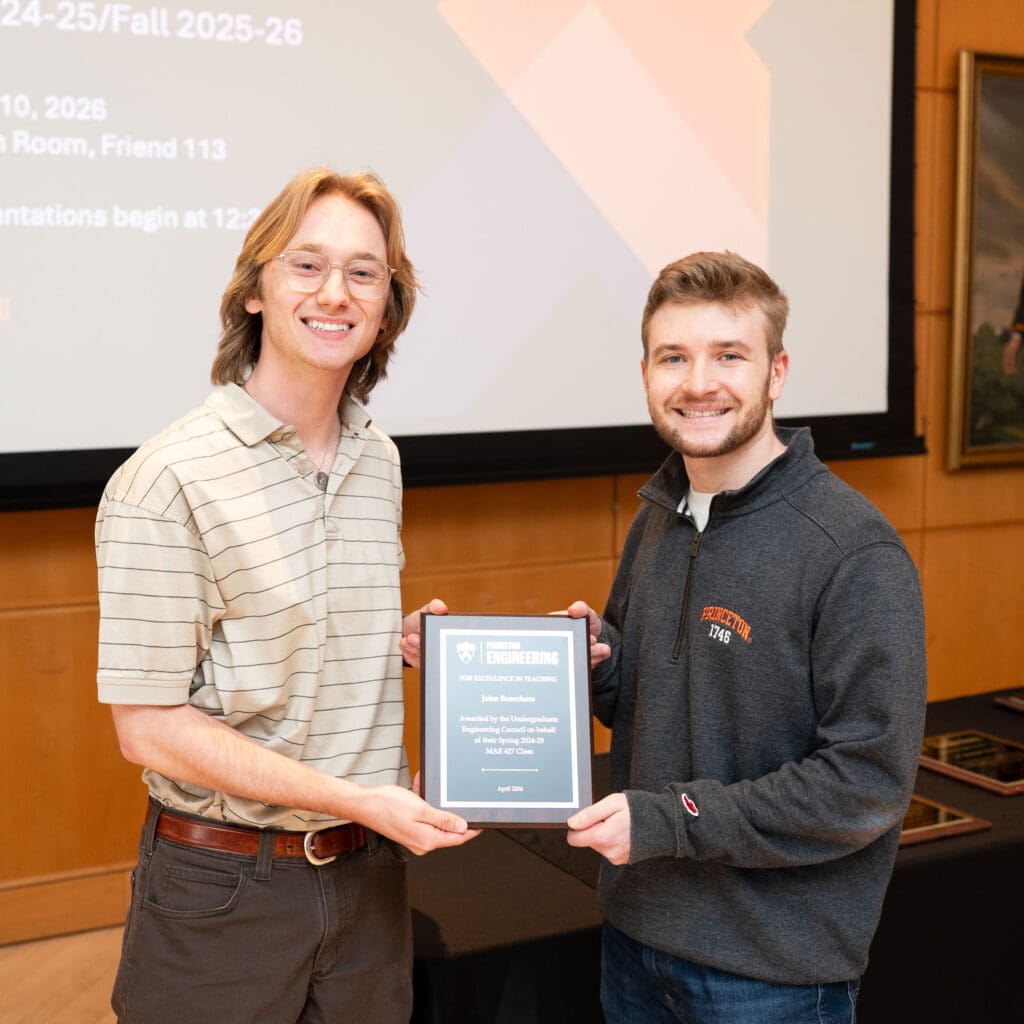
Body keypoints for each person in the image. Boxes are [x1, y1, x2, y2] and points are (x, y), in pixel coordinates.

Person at [95, 167, 477, 1024]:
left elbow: (291, 633)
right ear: (257, 290)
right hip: (224, 890)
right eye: (306, 265)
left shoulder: (378, 459)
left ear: (387, 305)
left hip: (370, 881)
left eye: (364, 272)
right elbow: (147, 726)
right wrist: (353, 799)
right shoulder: (166, 479)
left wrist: (396, 637)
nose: (335, 292)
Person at [563, 251, 927, 1023]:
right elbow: (656, 702)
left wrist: (670, 821)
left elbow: (865, 782)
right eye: (675, 357)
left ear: (777, 372)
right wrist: (597, 661)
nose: (699, 383)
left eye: (729, 355)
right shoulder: (658, 513)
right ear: (646, 372)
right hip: (635, 939)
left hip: (769, 975)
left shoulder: (853, 552)